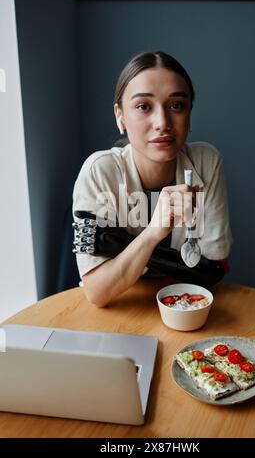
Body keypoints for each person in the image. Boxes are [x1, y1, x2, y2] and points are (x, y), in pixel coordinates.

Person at [72, 51, 232, 307]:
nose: (162, 122)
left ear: (189, 114)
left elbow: (213, 267)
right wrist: (153, 232)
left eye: (176, 105)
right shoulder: (99, 172)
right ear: (120, 115)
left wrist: (122, 251)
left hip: (187, 304)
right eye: (143, 106)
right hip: (123, 307)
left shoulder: (206, 161)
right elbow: (97, 292)